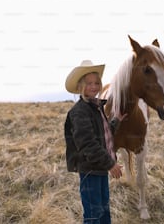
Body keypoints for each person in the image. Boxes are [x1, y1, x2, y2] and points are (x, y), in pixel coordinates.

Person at [64, 60, 125, 224]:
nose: (93, 86)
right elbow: (87, 144)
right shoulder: (79, 112)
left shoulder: (96, 108)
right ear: (80, 87)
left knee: (104, 209)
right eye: (88, 83)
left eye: (96, 82)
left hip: (100, 168)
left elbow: (103, 135)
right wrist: (110, 164)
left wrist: (116, 120)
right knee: (93, 213)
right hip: (90, 170)